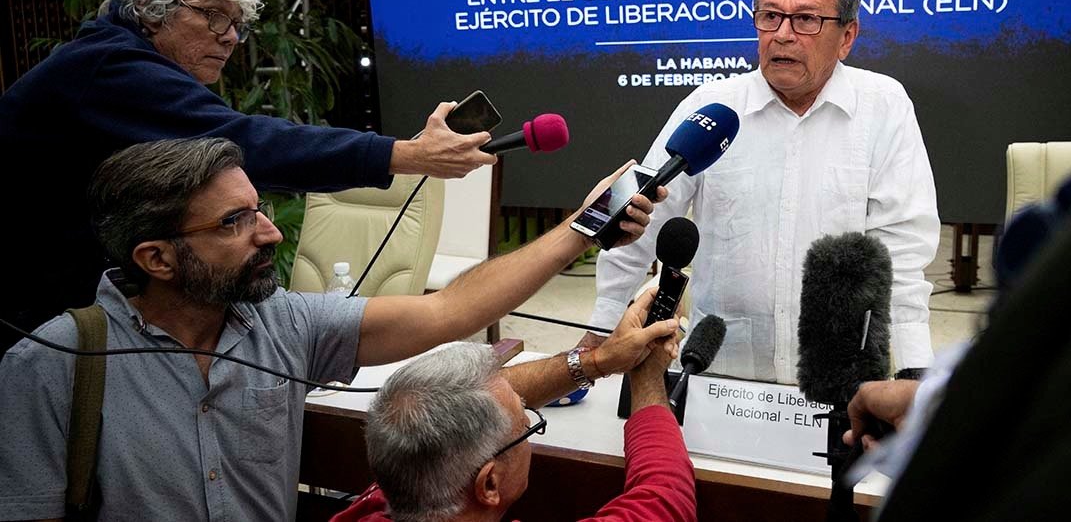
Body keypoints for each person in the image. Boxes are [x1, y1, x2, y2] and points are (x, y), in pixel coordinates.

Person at [0, 137, 664, 521]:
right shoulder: (54, 363)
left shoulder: (283, 321)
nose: (271, 231)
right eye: (235, 222)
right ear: (156, 257)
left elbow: (448, 312)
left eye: (258, 209)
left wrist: (583, 225)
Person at [0, 0, 495, 350]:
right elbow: (243, 142)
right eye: (214, 16)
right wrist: (405, 155)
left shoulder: (110, 62)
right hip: (29, 315)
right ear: (153, 14)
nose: (231, 37)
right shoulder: (109, 68)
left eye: (236, 24)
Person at [582, 0, 940, 382]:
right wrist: (598, 338)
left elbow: (900, 253)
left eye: (806, 19)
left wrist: (910, 371)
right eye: (770, 16)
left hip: (839, 376)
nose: (782, 35)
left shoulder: (883, 107)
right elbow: (639, 224)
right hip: (719, 368)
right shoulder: (709, 109)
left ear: (847, 36)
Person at [334, 302, 694, 522]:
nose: (525, 415)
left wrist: (599, 360)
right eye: (525, 424)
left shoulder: (393, 493)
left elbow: (461, 395)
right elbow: (664, 497)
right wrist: (647, 378)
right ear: (489, 483)